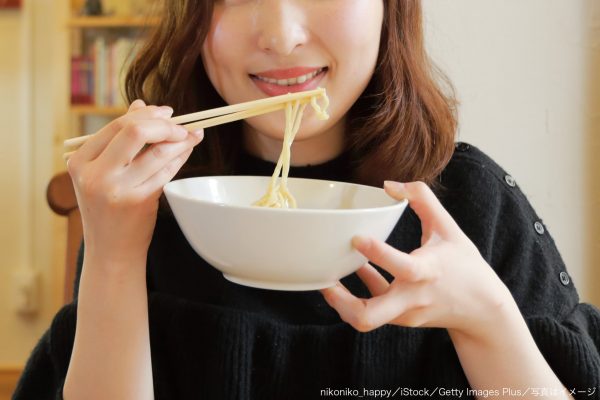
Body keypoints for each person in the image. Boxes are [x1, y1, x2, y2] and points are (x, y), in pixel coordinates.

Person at [13, 1, 600, 399]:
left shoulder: (468, 204)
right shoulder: (153, 199)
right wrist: (114, 259)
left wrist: (486, 320)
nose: (282, 35)